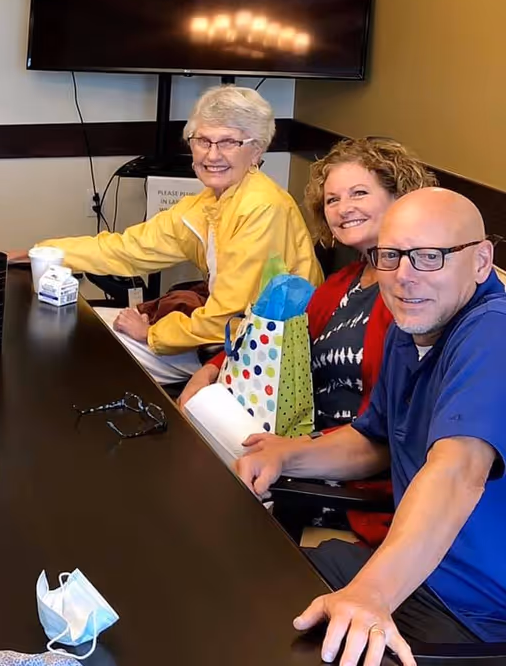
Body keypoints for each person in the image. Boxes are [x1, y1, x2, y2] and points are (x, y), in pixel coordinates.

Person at [235, 188, 506, 666]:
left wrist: (372, 592)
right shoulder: (414, 324)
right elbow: (374, 438)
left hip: (471, 610)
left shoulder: (492, 333)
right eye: (391, 255)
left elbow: (459, 470)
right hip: (409, 571)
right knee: (252, 583)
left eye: (429, 256)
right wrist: (286, 453)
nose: (404, 277)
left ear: (481, 261)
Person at [27, 86, 321, 384]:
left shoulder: (261, 206)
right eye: (203, 140)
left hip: (260, 358)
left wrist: (152, 334)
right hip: (226, 340)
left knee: (82, 345)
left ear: (256, 150)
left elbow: (227, 317)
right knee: (78, 329)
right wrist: (42, 252)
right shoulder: (209, 202)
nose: (212, 154)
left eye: (229, 142)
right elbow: (129, 249)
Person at [180, 138, 436, 426]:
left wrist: (291, 452)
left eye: (359, 193)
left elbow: (386, 427)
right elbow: (274, 341)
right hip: (298, 436)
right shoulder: (342, 283)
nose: (343, 209)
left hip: (345, 455)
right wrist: (211, 370)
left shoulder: (414, 289)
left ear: (399, 197)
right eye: (332, 199)